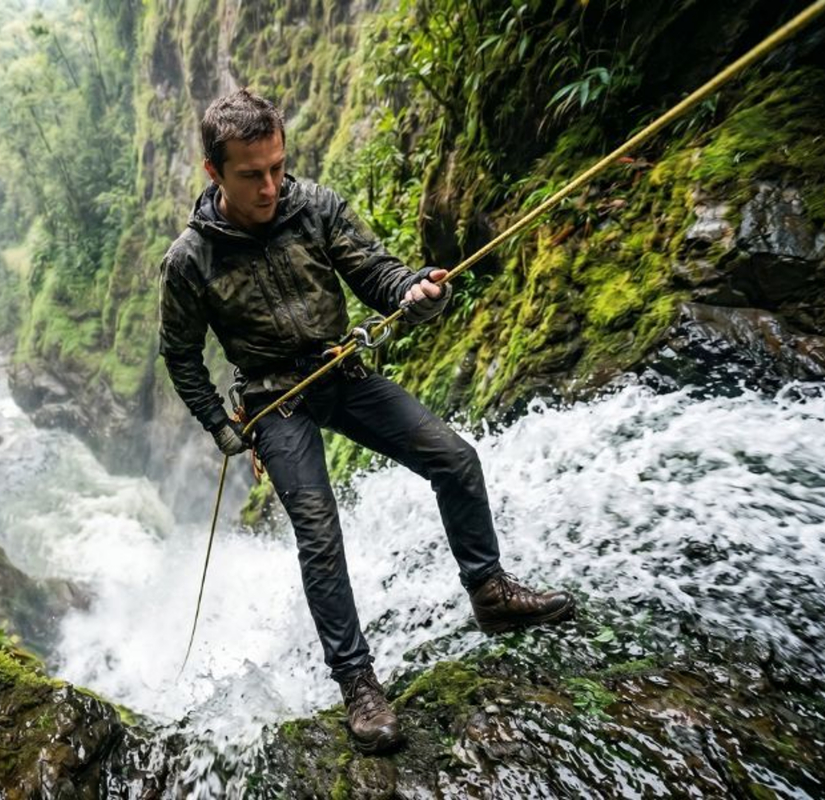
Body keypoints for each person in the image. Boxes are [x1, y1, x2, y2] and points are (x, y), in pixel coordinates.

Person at [157, 89, 574, 754]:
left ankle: (488, 591)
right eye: (251, 174)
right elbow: (180, 355)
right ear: (215, 172)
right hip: (275, 401)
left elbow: (377, 275)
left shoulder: (314, 206)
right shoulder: (191, 260)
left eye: (277, 167)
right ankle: (358, 684)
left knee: (454, 458)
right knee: (319, 532)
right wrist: (220, 424)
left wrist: (416, 291)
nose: (269, 186)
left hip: (339, 371)